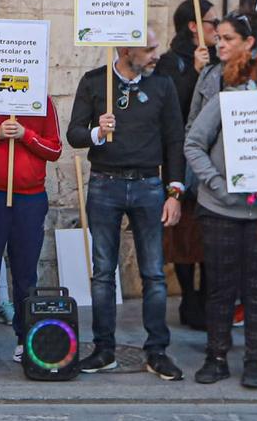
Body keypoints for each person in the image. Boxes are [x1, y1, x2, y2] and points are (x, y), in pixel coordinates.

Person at [68, 35, 186, 381]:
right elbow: (74, 134)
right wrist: (96, 132)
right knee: (103, 272)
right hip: (106, 183)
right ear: (124, 50)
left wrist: (175, 191)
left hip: (150, 185)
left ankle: (157, 350)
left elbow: (175, 139)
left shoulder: (163, 85)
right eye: (149, 49)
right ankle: (104, 348)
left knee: (153, 273)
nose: (156, 53)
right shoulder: (94, 82)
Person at [185, 48, 257, 389]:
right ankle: (216, 357)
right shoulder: (227, 101)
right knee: (220, 286)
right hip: (222, 210)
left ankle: (254, 360)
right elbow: (193, 144)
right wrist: (219, 186)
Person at [0, 58, 63, 375]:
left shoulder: (41, 102)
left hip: (29, 198)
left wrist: (25, 135)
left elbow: (55, 149)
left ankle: (25, 336)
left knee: (25, 272)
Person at [157, 0, 216, 329]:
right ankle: (189, 297)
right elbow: (174, 107)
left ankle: (208, 295)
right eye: (211, 21)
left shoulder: (218, 59)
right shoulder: (171, 62)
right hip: (181, 158)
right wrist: (194, 72)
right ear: (194, 26)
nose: (216, 28)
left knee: (208, 230)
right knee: (183, 233)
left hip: (211, 158)